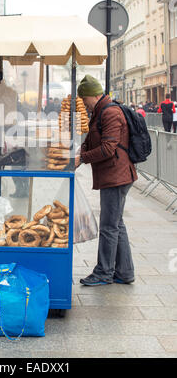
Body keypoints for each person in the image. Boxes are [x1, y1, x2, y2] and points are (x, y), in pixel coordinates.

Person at [75, 75, 137, 286]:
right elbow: (92, 138)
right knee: (117, 223)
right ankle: (125, 272)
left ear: (93, 94)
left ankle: (104, 272)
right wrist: (82, 150)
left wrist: (82, 158)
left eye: (84, 99)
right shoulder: (99, 111)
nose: (83, 103)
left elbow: (108, 148)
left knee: (109, 226)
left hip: (116, 176)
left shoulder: (110, 112)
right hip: (114, 174)